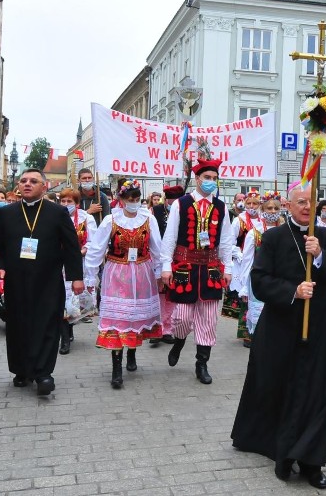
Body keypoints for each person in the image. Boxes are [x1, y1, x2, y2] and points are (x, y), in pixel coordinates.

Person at [231, 182, 326, 489]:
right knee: (281, 387)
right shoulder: (273, 237)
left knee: (316, 392)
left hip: (317, 328)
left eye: (311, 202)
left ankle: (311, 461)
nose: (307, 207)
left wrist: (320, 255)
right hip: (281, 326)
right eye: (300, 202)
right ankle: (280, 450)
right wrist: (292, 291)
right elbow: (259, 280)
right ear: (288, 205)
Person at [0, 168, 84, 396]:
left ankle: (43, 373)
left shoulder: (57, 212)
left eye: (33, 181)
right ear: (18, 186)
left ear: (44, 186)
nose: (27, 184)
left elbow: (71, 245)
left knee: (46, 325)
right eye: (23, 181)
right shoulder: (7, 213)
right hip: (16, 279)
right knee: (18, 325)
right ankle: (21, 370)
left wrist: (76, 277)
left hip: (47, 279)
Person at [159, 154, 234, 385]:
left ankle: (202, 364)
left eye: (214, 177)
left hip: (211, 268)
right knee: (181, 317)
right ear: (197, 178)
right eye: (207, 177)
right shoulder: (181, 204)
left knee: (208, 320)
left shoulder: (221, 207)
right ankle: (180, 341)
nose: (211, 180)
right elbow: (170, 237)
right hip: (184, 267)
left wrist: (228, 268)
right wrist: (165, 266)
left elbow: (227, 240)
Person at [85, 179, 164, 389]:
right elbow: (96, 249)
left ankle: (132, 352)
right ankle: (116, 367)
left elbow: (157, 249)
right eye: (130, 199)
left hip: (142, 272)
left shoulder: (149, 219)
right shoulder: (111, 220)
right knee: (119, 318)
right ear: (121, 200)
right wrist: (91, 277)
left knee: (135, 315)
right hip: (117, 273)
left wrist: (160, 272)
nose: (134, 203)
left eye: (138, 199)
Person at [237, 192, 283, 344]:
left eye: (276, 209)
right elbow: (247, 260)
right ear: (263, 210)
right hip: (259, 278)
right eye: (269, 208)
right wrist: (244, 286)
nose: (272, 211)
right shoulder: (255, 232)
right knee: (258, 309)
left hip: (280, 278)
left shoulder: (285, 230)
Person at [57, 188, 97, 355]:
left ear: (77, 204)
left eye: (69, 202)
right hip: (59, 264)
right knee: (62, 301)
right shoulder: (55, 216)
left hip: (79, 263)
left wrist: (81, 251)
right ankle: (64, 339)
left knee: (75, 301)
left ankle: (70, 329)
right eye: (63, 201)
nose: (66, 205)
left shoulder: (86, 218)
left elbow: (93, 241)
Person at [223, 191, 264, 341]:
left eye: (255, 203)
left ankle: (259, 329)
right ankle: (246, 332)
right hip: (243, 262)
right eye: (249, 203)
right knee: (246, 296)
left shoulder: (262, 220)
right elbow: (230, 242)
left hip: (259, 262)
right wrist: (239, 254)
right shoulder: (239, 220)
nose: (252, 206)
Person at [150, 185, 185, 346]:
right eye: (171, 199)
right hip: (159, 257)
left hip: (179, 258)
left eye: (177, 199)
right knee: (158, 295)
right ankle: (156, 328)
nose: (174, 203)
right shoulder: (156, 211)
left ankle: (168, 329)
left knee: (172, 295)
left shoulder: (186, 210)